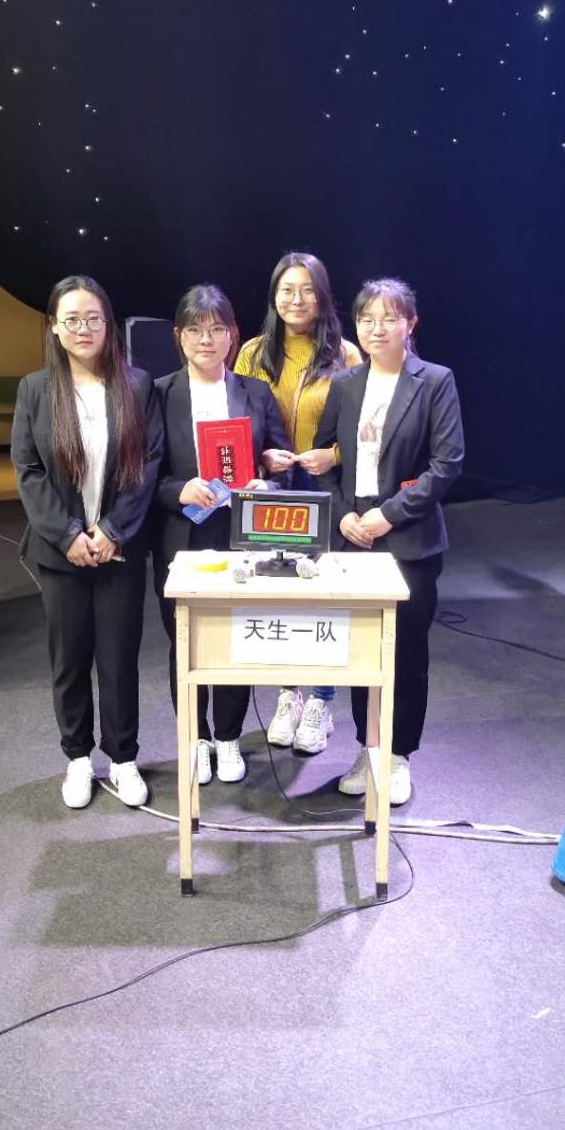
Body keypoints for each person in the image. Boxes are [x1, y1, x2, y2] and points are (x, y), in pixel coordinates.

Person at [12, 275, 163, 811]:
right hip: (61, 554)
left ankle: (122, 758)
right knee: (70, 659)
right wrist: (69, 534)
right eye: (71, 319)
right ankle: (77, 758)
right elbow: (28, 470)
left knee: (119, 658)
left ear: (108, 323)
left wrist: (112, 530)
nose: (83, 328)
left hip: (120, 549)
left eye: (93, 318)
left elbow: (149, 463)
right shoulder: (35, 389)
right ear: (54, 327)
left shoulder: (137, 386)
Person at [313, 277, 464, 804]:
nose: (377, 329)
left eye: (389, 318)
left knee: (405, 651)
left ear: (410, 324)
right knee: (361, 652)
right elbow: (324, 461)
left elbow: (447, 464)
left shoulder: (435, 381)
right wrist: (343, 518)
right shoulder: (345, 384)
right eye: (367, 319)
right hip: (353, 538)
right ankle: (367, 746)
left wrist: (387, 516)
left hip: (409, 540)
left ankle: (398, 756)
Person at [153, 284, 290, 785]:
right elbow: (145, 474)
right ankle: (196, 736)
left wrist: (265, 484)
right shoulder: (159, 393)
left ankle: (229, 737)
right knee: (184, 642)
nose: (206, 340)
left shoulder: (256, 393)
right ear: (179, 336)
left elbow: (281, 465)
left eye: (216, 329)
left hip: (239, 536)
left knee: (235, 640)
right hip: (181, 537)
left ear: (233, 335)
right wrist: (179, 490)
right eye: (195, 330)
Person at [234, 250, 361, 754]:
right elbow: (236, 420)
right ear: (274, 296)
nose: (297, 299)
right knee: (281, 593)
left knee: (325, 594)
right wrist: (261, 455)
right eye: (287, 289)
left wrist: (333, 455)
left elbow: (366, 427)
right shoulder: (251, 352)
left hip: (327, 489)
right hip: (273, 490)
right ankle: (289, 693)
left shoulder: (347, 355)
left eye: (307, 289)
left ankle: (322, 701)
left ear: (323, 296)